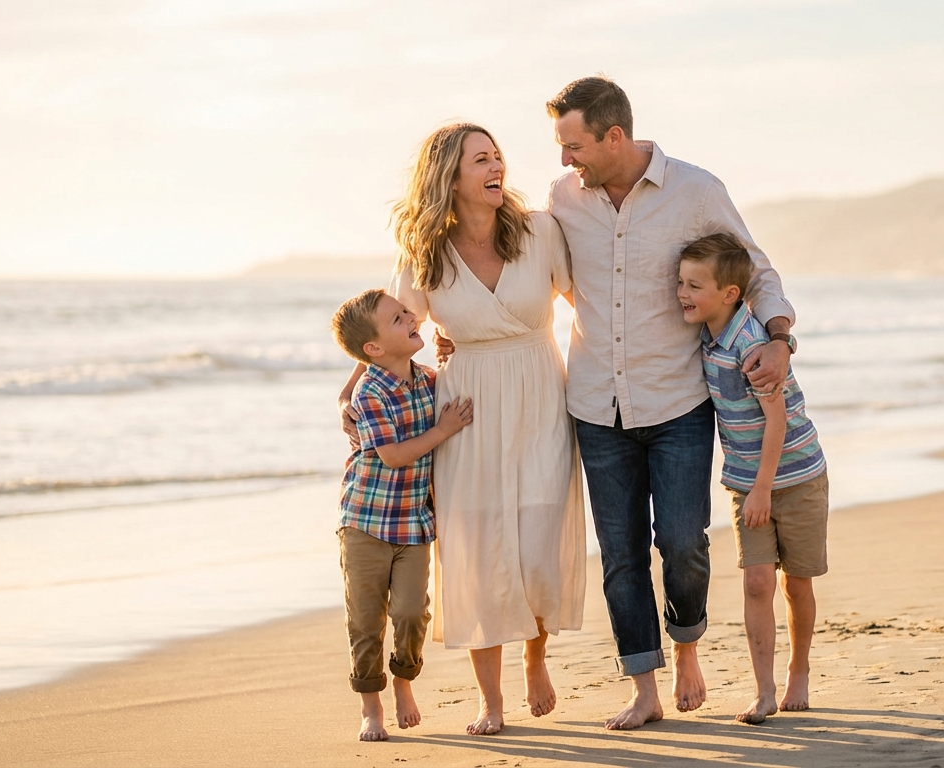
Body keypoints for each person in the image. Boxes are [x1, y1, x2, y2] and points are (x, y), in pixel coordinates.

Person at [545, 76, 800, 730]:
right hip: (596, 405)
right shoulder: (562, 200)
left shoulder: (695, 190)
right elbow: (540, 279)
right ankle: (645, 688)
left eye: (574, 145)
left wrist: (778, 339)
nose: (565, 159)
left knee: (682, 542)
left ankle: (687, 651)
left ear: (614, 136)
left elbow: (757, 272)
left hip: (679, 404)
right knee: (622, 553)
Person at [343, 123, 586, 736]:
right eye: (481, 159)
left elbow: (589, 302)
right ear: (450, 178)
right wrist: (353, 388)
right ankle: (491, 702)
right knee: (479, 556)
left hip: (538, 398)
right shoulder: (425, 253)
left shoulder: (539, 231)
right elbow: (392, 325)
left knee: (535, 546)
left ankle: (535, 658)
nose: (496, 165)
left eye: (498, 155)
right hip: (467, 408)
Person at [676, 233, 828, 725]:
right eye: (681, 282)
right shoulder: (704, 335)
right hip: (747, 482)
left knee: (797, 583)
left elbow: (778, 422)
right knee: (758, 583)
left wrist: (763, 488)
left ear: (730, 295)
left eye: (693, 285)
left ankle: (798, 670)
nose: (682, 293)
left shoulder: (751, 346)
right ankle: (764, 691)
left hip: (797, 475)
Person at [331, 288, 474, 742]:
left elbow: (454, 374)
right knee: (366, 619)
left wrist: (453, 353)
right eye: (397, 318)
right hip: (366, 522)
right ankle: (370, 707)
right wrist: (443, 430)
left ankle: (403, 682)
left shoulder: (429, 380)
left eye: (406, 312)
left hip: (414, 523)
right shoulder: (370, 391)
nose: (412, 317)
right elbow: (392, 456)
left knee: (413, 613)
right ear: (373, 349)